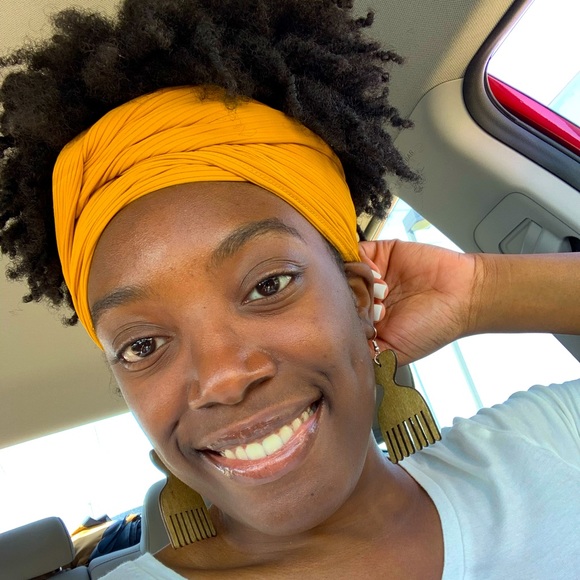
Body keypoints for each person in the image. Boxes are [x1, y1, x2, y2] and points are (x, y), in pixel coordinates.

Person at [0, 1, 578, 578]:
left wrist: (477, 291)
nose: (223, 378)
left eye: (268, 285)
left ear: (359, 298)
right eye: (142, 345)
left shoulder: (548, 447)